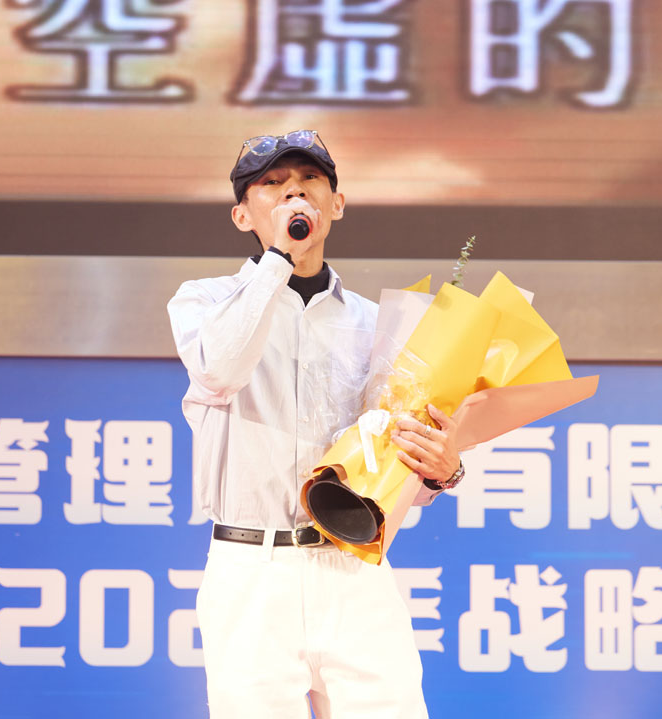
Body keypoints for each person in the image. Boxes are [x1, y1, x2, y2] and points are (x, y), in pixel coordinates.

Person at [167, 130, 465, 719]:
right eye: (273, 185)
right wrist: (277, 260)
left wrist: (442, 471)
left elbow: (391, 463)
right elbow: (220, 369)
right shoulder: (203, 301)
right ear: (242, 215)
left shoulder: (380, 324)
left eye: (310, 182)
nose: (294, 195)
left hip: (353, 565)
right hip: (252, 570)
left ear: (337, 204)